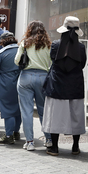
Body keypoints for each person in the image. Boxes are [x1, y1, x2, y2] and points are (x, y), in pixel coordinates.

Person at [44, 17, 87, 155]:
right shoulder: (81, 47)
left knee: (55, 116)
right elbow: (82, 65)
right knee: (76, 115)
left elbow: (52, 60)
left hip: (57, 84)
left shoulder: (55, 45)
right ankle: (75, 147)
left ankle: (55, 148)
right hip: (75, 84)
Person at [17, 21, 53, 151]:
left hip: (26, 77)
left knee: (26, 111)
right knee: (44, 109)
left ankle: (30, 142)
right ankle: (49, 139)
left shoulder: (25, 43)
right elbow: (52, 62)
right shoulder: (48, 44)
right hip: (43, 77)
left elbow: (16, 60)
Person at [0, 32, 22, 144]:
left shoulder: (1, 53)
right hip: (21, 82)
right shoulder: (21, 49)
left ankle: (9, 135)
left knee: (8, 110)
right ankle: (16, 132)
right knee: (18, 109)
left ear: (3, 41)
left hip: (5, 84)